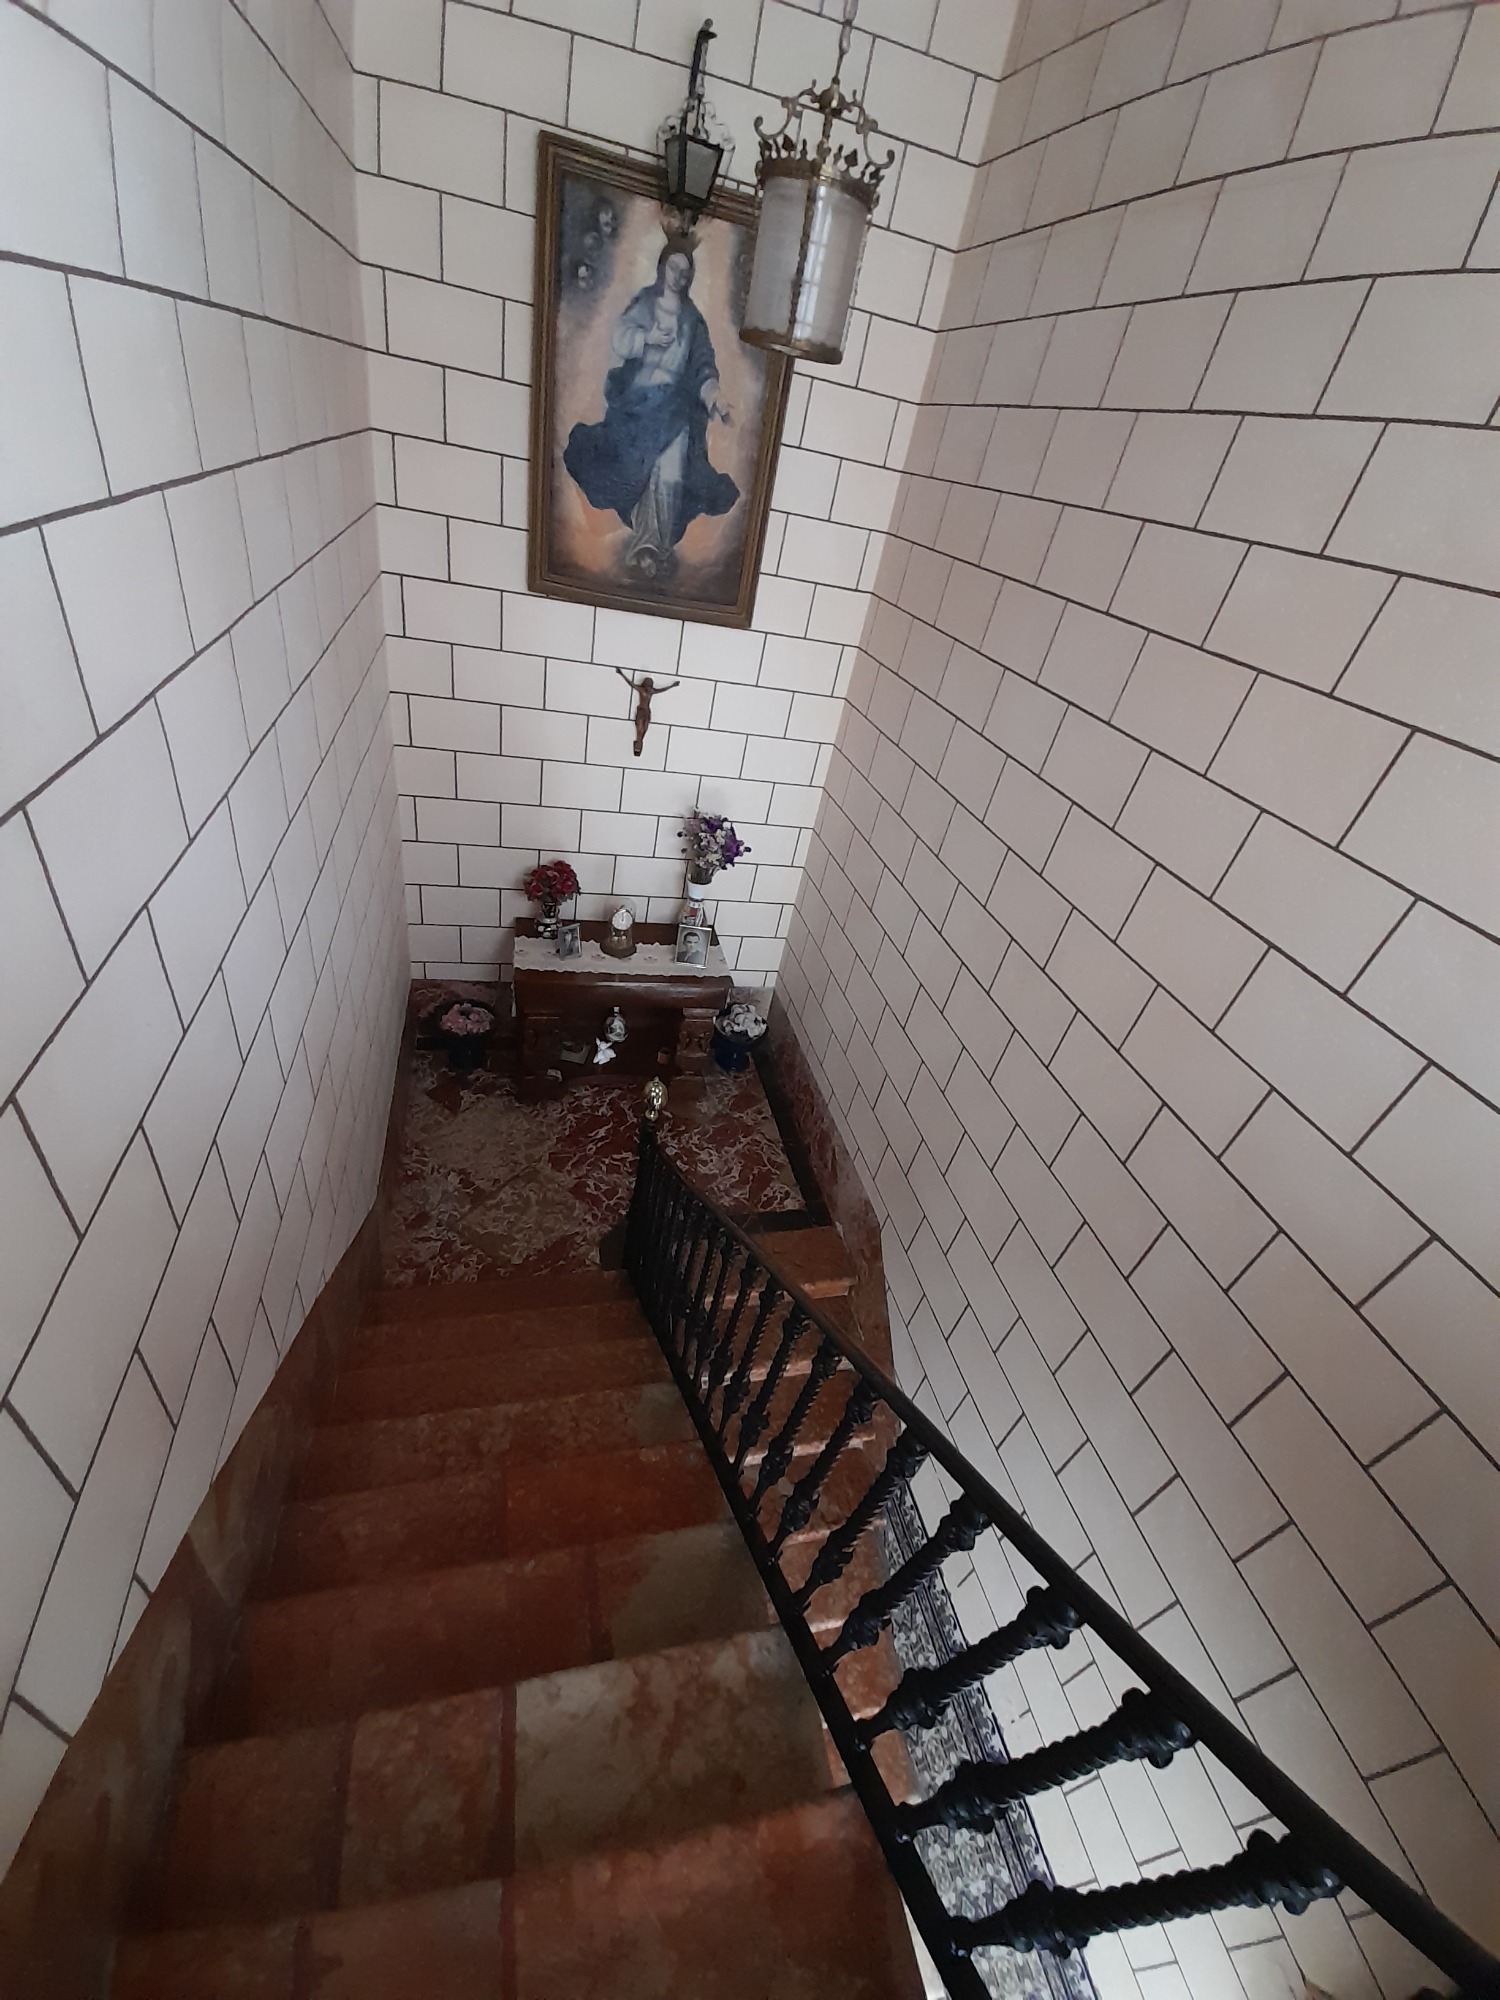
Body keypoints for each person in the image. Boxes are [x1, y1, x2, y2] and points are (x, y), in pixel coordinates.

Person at [564, 241, 738, 581]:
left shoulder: (692, 320)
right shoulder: (645, 303)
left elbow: (703, 366)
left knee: (670, 470)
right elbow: (620, 337)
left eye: (685, 272)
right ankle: (645, 539)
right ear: (661, 267)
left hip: (676, 407)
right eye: (674, 268)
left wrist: (715, 398)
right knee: (637, 469)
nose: (679, 276)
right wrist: (647, 339)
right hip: (640, 402)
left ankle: (654, 546)